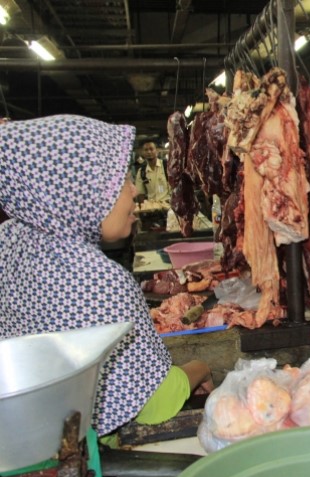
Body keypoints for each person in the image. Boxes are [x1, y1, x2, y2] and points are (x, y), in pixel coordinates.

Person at [0, 115, 214, 438]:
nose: (132, 191)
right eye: (118, 180)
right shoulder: (100, 283)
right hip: (90, 461)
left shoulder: (9, 245)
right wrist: (202, 368)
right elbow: (156, 403)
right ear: (77, 190)